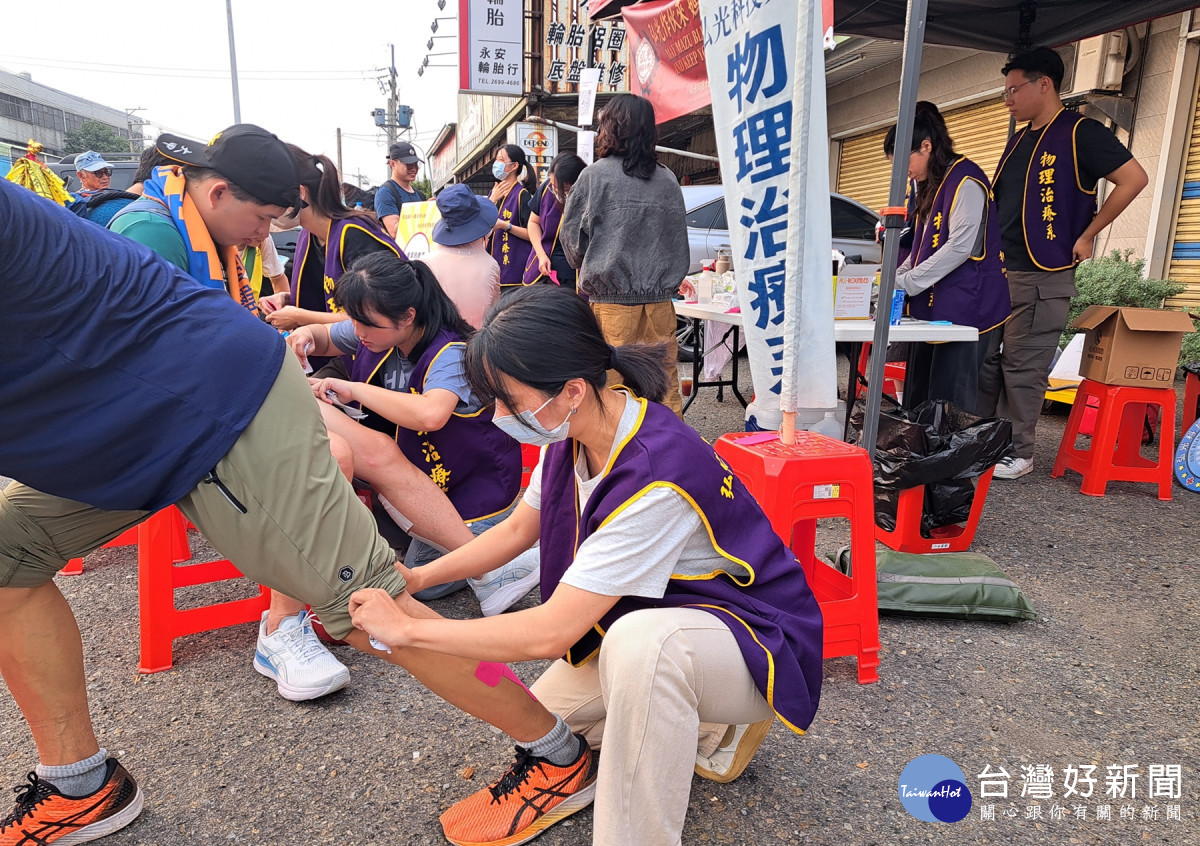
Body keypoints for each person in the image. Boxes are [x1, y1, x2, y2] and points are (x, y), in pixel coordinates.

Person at [0, 177, 598, 846]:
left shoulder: (438, 337)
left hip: (213, 405)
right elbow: (335, 330)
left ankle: (558, 756)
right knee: (6, 550)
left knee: (379, 610)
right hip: (131, 409)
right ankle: (81, 786)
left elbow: (433, 421)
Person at [347, 285, 823, 846]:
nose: (500, 416)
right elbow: (517, 530)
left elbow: (551, 632)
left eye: (507, 400)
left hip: (757, 639)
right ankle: (708, 721)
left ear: (571, 389)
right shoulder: (573, 428)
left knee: (646, 650)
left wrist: (407, 630)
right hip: (673, 613)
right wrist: (422, 577)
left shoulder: (655, 475)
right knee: (542, 720)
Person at [106, 126, 352, 702]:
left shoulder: (203, 233)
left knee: (366, 446)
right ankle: (280, 628)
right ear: (218, 194)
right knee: (334, 456)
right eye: (263, 219)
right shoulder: (148, 235)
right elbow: (147, 365)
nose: (265, 234)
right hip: (161, 424)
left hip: (209, 402)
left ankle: (458, 571)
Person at [290, 253, 537, 614]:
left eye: (367, 324)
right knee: (416, 574)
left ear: (408, 316)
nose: (358, 333)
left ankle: (503, 558)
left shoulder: (451, 353)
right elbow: (326, 336)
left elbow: (430, 415)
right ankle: (495, 567)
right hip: (425, 484)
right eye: (354, 320)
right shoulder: (375, 332)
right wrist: (304, 337)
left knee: (422, 582)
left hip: (472, 495)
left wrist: (354, 390)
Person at [979, 46, 1148, 479]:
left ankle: (1019, 453)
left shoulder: (1080, 132)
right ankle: (984, 443)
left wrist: (1089, 234)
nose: (1007, 99)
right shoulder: (1020, 138)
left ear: (1044, 84)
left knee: (1023, 365)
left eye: (1013, 89)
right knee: (986, 363)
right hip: (1000, 271)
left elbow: (1134, 179)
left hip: (1043, 274)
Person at [560, 93, 690, 416]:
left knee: (614, 393)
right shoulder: (669, 180)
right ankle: (673, 460)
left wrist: (592, 264)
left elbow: (572, 242)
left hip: (612, 307)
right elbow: (678, 243)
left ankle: (623, 463)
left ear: (612, 128)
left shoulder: (594, 177)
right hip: (661, 305)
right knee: (664, 387)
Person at [882, 108, 1011, 412]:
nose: (902, 172)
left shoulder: (966, 180)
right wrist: (891, 278)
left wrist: (907, 282)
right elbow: (920, 248)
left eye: (904, 161)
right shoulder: (931, 185)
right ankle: (918, 454)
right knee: (920, 391)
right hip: (934, 305)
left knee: (948, 396)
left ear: (926, 146)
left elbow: (960, 247)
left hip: (969, 306)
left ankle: (942, 458)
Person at [258, 145, 403, 338]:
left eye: (269, 199)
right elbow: (327, 298)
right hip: (340, 352)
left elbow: (376, 316)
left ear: (300, 193)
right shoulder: (308, 236)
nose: (266, 211)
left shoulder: (355, 235)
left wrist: (301, 316)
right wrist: (288, 299)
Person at [421, 183, 502, 329]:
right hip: (474, 344)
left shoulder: (424, 264)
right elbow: (494, 312)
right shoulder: (489, 265)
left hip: (434, 347)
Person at [523, 153, 587, 292]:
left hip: (577, 275)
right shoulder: (547, 189)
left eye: (564, 190)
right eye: (553, 186)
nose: (556, 191)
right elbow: (533, 222)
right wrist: (541, 255)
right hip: (544, 270)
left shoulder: (590, 195)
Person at [485, 144, 535, 290]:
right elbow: (480, 225)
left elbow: (533, 234)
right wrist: (492, 200)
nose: (496, 164)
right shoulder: (493, 193)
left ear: (514, 166)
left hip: (514, 275)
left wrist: (506, 226)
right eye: (496, 160)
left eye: (501, 160)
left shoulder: (522, 195)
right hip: (492, 272)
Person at [375, 141, 425, 239]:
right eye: (409, 164)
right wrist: (425, 215)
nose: (414, 169)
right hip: (397, 253)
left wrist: (431, 209)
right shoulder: (386, 192)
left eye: (416, 164)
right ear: (392, 164)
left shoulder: (420, 195)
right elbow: (395, 232)